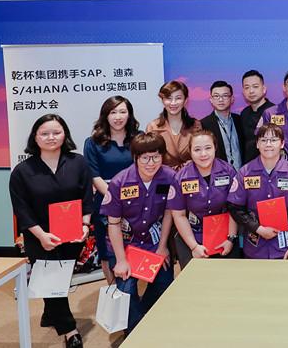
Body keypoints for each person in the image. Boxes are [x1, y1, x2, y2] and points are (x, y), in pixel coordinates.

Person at [9, 114, 92, 348]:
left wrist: (85, 225)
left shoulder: (78, 163)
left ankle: (49, 314)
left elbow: (87, 197)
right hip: (40, 237)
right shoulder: (22, 171)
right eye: (44, 133)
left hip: (72, 235)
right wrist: (41, 236)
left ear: (65, 134)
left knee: (60, 279)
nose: (51, 137)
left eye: (56, 132)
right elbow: (21, 209)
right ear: (35, 137)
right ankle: (69, 329)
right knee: (51, 278)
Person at [101, 132, 175, 334]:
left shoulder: (169, 177)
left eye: (156, 157)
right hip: (124, 245)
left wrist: (162, 246)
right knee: (127, 291)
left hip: (153, 241)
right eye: (145, 158)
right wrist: (121, 260)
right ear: (135, 158)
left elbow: (169, 213)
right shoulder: (120, 182)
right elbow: (113, 224)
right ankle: (134, 333)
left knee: (165, 284)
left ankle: (144, 317)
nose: (151, 163)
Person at [83, 95, 141, 285]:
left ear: (129, 114)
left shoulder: (138, 138)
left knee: (135, 247)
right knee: (107, 251)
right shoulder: (93, 142)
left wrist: (129, 199)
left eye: (122, 112)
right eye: (113, 112)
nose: (118, 117)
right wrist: (117, 198)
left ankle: (133, 290)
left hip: (137, 201)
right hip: (105, 201)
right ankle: (114, 290)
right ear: (105, 116)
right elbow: (94, 176)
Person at [228, 123, 288, 259]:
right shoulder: (245, 172)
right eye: (263, 140)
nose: (268, 144)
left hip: (284, 248)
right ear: (257, 144)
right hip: (254, 247)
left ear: (282, 144)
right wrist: (258, 229)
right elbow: (235, 207)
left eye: (273, 140)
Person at [168, 130, 239, 268]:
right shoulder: (181, 178)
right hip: (192, 237)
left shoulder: (228, 171)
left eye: (208, 148)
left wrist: (230, 238)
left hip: (225, 237)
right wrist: (194, 246)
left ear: (215, 148)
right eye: (197, 150)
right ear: (190, 152)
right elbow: (179, 215)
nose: (203, 154)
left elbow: (234, 208)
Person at [146, 80, 201, 168]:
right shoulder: (153, 127)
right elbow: (150, 158)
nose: (173, 103)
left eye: (178, 98)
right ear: (162, 100)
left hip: (191, 174)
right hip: (164, 175)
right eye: (169, 98)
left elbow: (201, 153)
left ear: (185, 100)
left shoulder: (196, 125)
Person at [200, 80, 245, 169]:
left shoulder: (239, 120)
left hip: (241, 172)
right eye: (216, 96)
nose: (221, 99)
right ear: (211, 100)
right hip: (218, 173)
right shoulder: (204, 124)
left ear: (232, 99)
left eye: (225, 95)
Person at [240, 70, 274, 163]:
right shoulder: (244, 114)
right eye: (247, 87)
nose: (251, 91)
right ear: (243, 92)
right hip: (249, 167)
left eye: (255, 86)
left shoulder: (275, 112)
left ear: (264, 89)